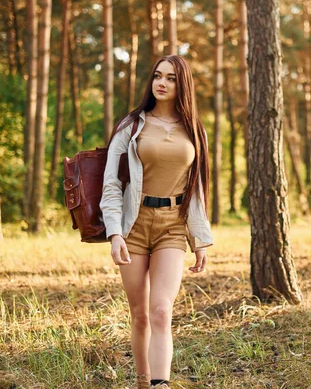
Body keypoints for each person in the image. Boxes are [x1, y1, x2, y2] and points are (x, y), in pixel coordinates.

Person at [100, 55, 213, 389]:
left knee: (161, 310)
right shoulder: (131, 126)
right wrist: (115, 233)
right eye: (157, 76)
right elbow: (111, 184)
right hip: (134, 225)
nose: (162, 83)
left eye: (171, 78)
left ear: (183, 85)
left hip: (172, 226)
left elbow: (196, 188)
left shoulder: (193, 129)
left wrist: (200, 238)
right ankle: (142, 381)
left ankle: (160, 385)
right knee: (140, 314)